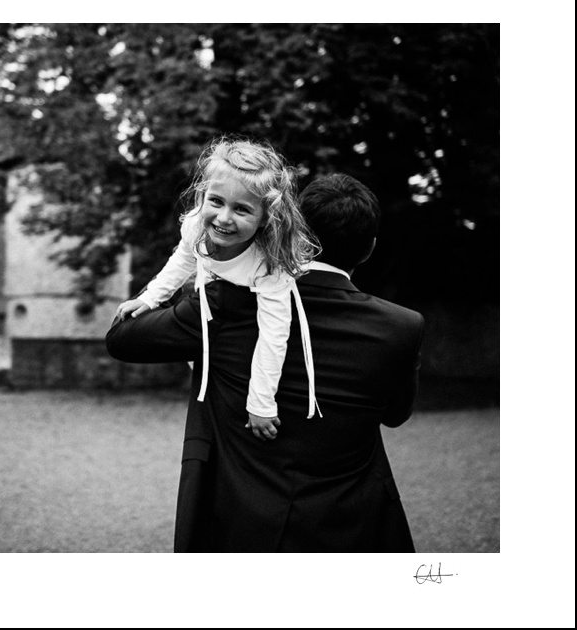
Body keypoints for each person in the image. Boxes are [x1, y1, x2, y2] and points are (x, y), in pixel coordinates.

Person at [107, 172, 424, 552]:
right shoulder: (402, 327)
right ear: (370, 248)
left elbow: (123, 339)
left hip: (238, 524)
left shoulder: (228, 301)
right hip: (354, 526)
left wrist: (183, 295)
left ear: (283, 227)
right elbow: (395, 414)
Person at [115, 138, 319, 442]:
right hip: (212, 308)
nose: (224, 218)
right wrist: (150, 297)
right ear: (203, 194)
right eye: (216, 201)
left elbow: (275, 333)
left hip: (251, 320)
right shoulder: (197, 224)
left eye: (241, 209)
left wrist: (261, 403)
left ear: (265, 218)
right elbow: (182, 260)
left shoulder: (269, 262)